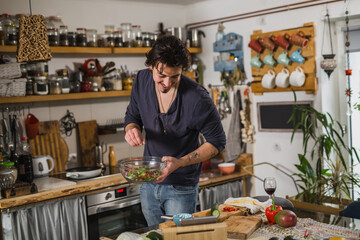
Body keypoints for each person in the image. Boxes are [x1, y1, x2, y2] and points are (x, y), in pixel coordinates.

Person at [124, 35, 226, 226]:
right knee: (154, 236)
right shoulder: (141, 80)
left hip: (181, 187)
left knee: (179, 238)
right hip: (148, 183)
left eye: (175, 76)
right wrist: (132, 129)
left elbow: (217, 142)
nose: (167, 83)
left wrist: (179, 162)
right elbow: (132, 115)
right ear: (151, 66)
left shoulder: (197, 98)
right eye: (161, 76)